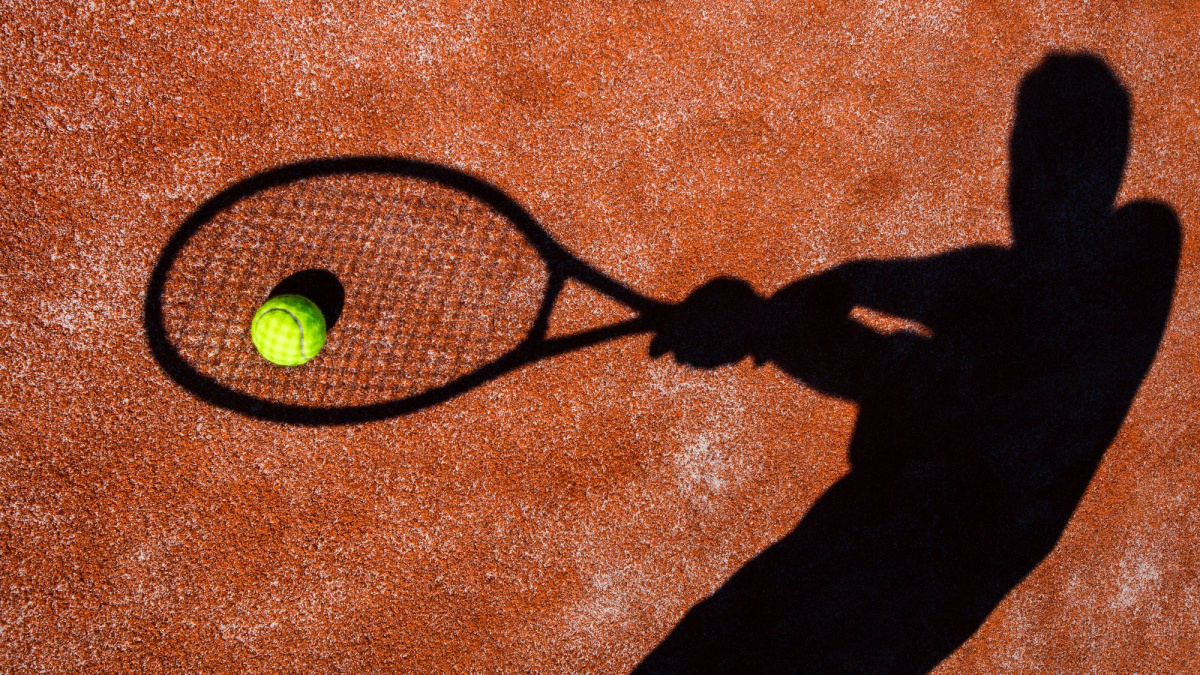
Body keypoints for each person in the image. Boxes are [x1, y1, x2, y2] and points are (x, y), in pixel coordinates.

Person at [636, 52, 1181, 674]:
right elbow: (886, 366)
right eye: (1026, 156)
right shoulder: (1002, 318)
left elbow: (973, 317)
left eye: (1063, 155)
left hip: (875, 621)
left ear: (1103, 171)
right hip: (821, 571)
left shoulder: (1137, 255)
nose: (1034, 181)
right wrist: (772, 325)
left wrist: (825, 296)